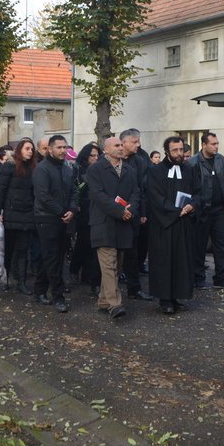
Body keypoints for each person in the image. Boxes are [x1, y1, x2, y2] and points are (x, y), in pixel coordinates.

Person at [86, 137, 141, 320]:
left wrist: (129, 210)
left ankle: (103, 300)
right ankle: (115, 304)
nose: (120, 148)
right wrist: (119, 210)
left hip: (123, 224)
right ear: (106, 150)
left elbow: (136, 193)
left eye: (120, 145)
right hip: (104, 222)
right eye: (116, 145)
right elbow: (97, 195)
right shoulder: (95, 170)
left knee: (115, 264)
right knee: (108, 264)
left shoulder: (129, 170)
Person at [146, 136, 197, 313]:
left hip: (183, 224)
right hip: (163, 224)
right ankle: (165, 299)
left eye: (181, 150)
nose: (179, 153)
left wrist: (192, 205)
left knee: (181, 261)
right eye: (175, 150)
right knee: (164, 261)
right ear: (167, 151)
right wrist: (176, 211)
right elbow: (155, 197)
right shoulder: (155, 171)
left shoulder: (190, 170)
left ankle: (177, 295)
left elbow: (199, 192)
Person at [32, 135, 78, 313]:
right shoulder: (42, 169)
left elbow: (74, 190)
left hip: (64, 218)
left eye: (65, 147)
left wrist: (72, 209)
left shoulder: (67, 168)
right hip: (46, 219)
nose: (63, 151)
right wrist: (61, 212)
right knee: (52, 257)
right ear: (49, 149)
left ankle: (39, 290)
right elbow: (43, 197)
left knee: (53, 257)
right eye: (59, 147)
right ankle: (58, 296)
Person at [187, 132, 224, 289]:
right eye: (213, 144)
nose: (216, 146)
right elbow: (190, 188)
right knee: (199, 246)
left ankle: (222, 278)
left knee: (221, 244)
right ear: (204, 145)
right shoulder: (194, 162)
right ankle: (198, 278)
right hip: (201, 210)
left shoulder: (221, 160)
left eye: (217, 143)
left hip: (220, 209)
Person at [0, 138, 39, 295]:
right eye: (27, 148)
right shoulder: (9, 166)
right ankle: (5, 279)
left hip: (28, 214)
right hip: (11, 213)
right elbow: (1, 190)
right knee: (9, 249)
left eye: (32, 149)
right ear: (19, 150)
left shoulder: (34, 167)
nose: (30, 151)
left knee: (23, 249)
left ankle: (22, 281)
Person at [120, 128, 154, 299]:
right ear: (123, 142)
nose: (138, 145)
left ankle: (134, 288)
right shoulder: (113, 160)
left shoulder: (140, 161)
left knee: (133, 252)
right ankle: (102, 288)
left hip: (133, 213)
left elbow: (143, 189)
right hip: (114, 213)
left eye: (138, 141)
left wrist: (142, 212)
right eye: (134, 142)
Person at [69, 143, 101, 295]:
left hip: (96, 210)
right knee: (83, 243)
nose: (95, 158)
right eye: (92, 156)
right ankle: (75, 268)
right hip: (83, 211)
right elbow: (75, 189)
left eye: (97, 155)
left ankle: (88, 275)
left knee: (93, 246)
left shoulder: (100, 169)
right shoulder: (78, 169)